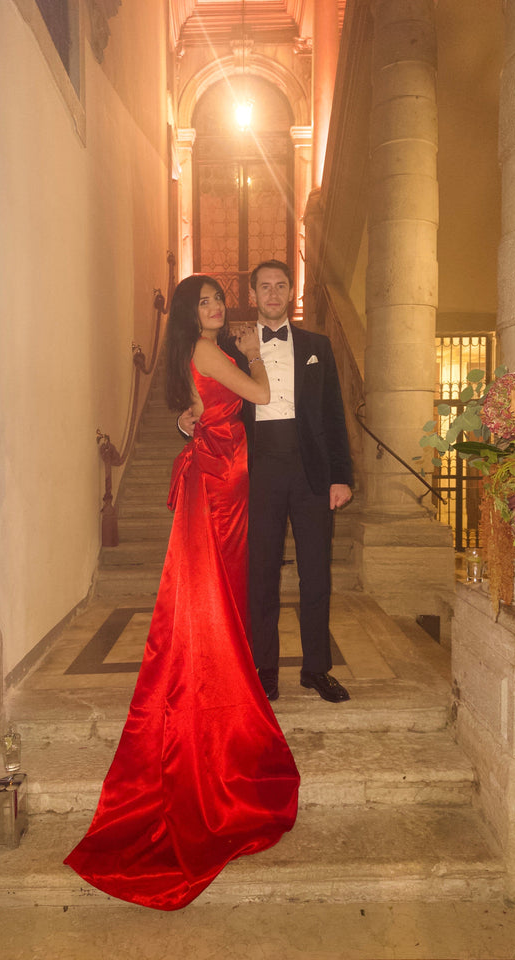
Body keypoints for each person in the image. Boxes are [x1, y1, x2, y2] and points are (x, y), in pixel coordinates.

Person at [64, 275, 300, 911]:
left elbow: (202, 406)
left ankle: (214, 665)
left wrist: (185, 416)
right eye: (204, 300)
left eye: (219, 298)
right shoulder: (211, 349)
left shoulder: (197, 355)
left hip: (219, 469)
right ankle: (216, 684)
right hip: (224, 476)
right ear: (189, 314)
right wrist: (251, 353)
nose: (217, 306)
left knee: (216, 586)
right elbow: (262, 392)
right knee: (219, 589)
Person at [180, 260, 353, 704]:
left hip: (312, 470)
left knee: (316, 575)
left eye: (281, 286)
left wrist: (341, 476)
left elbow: (335, 415)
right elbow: (208, 401)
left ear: (291, 292)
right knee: (261, 576)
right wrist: (187, 425)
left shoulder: (319, 344)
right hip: (255, 472)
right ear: (253, 296)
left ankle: (316, 669)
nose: (273, 294)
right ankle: (265, 669)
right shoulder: (231, 348)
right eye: (264, 287)